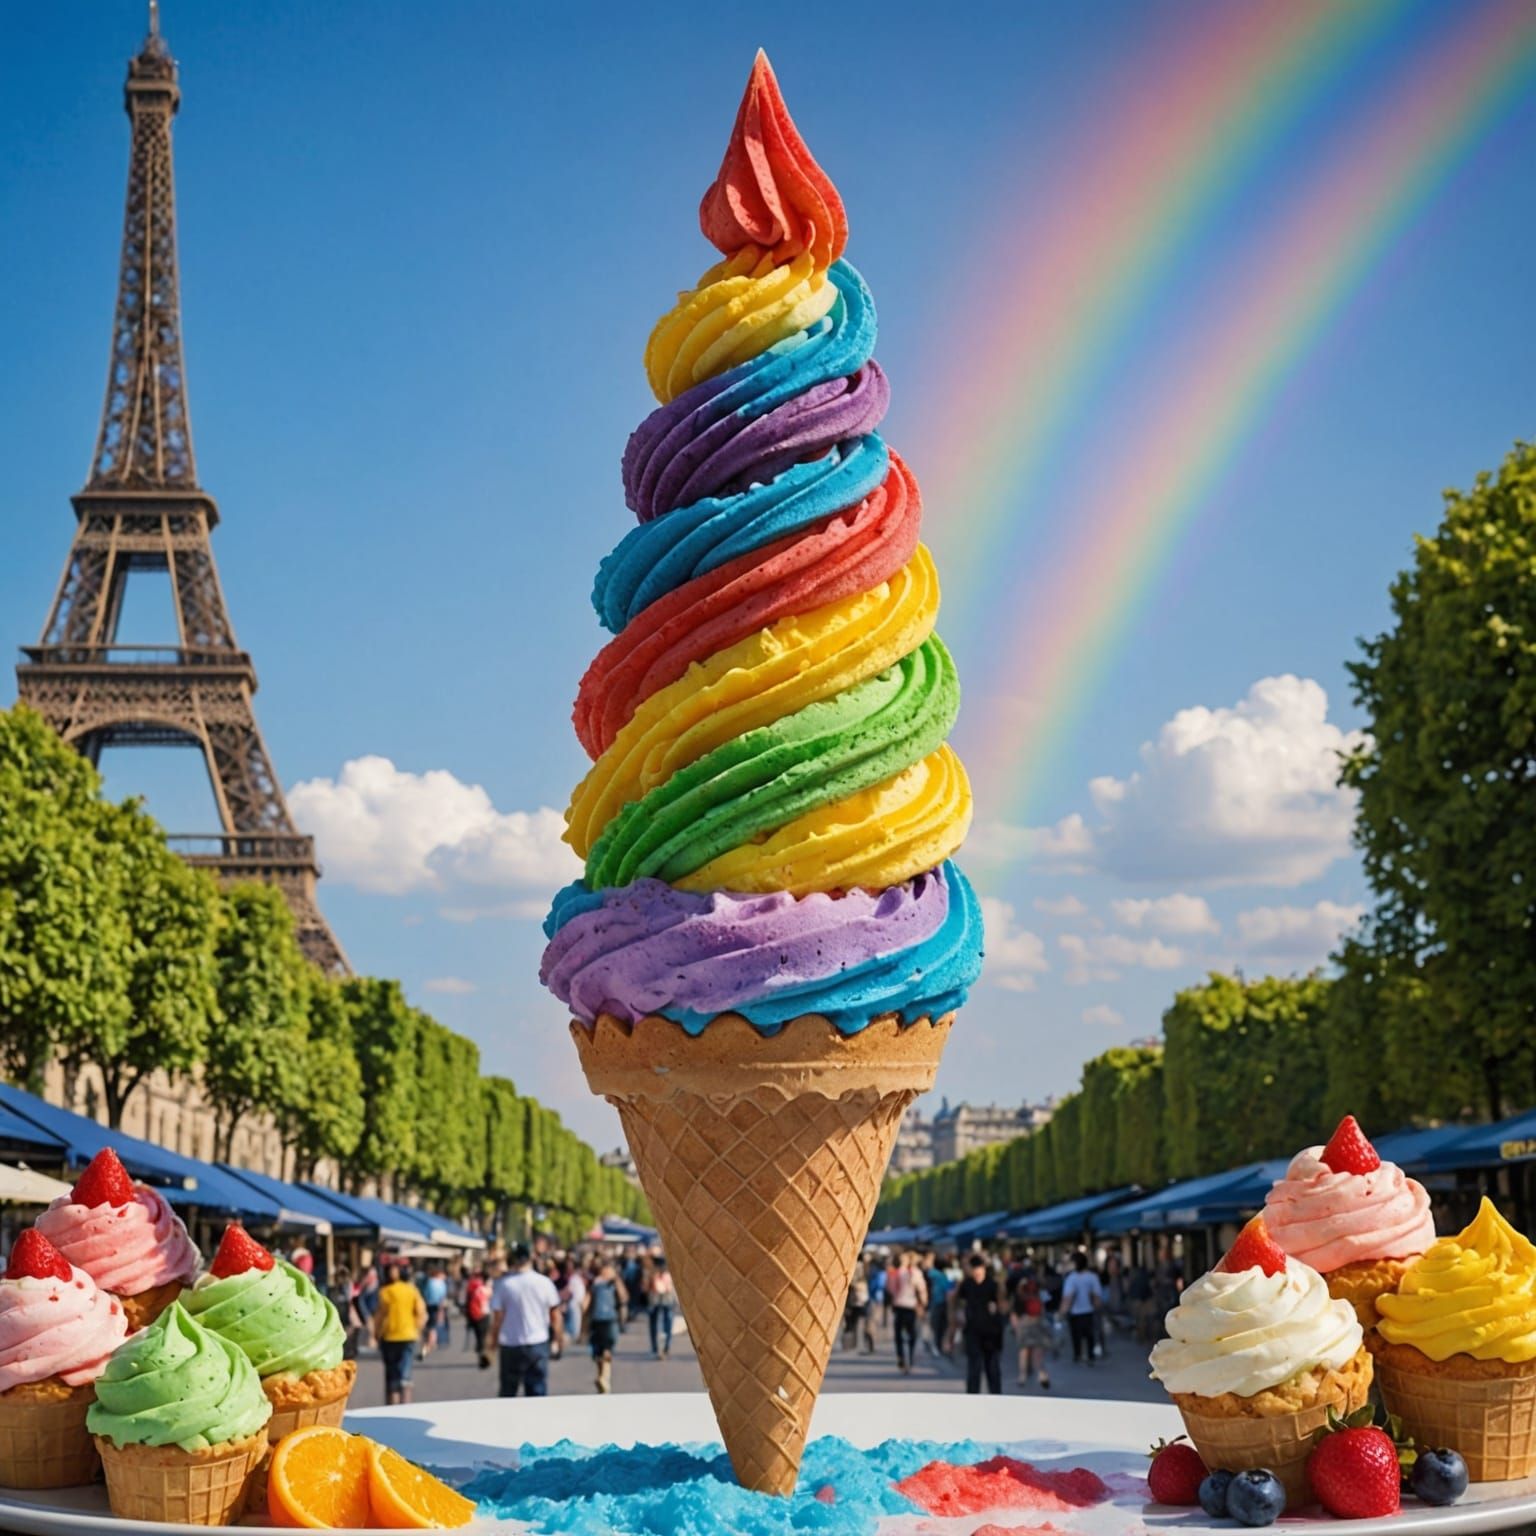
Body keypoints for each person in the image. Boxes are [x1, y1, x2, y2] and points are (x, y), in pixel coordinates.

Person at [489, 1243, 563, 1397]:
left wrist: (493, 1343)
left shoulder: (504, 1285)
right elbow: (555, 1316)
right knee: (537, 1392)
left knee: (508, 1392)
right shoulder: (544, 1282)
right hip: (537, 1342)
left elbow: (497, 1319)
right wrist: (558, 1339)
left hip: (511, 1343)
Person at [372, 1262, 427, 1406]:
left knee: (391, 1373)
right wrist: (418, 1329)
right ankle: (405, 1404)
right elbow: (421, 1311)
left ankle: (392, 1404)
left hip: (389, 1335)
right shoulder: (412, 1290)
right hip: (408, 1335)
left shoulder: (385, 1291)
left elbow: (379, 1316)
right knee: (405, 1372)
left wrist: (376, 1333)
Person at [952, 1252, 1005, 1395]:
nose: (976, 1273)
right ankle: (972, 1396)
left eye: (979, 1269)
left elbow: (1002, 1304)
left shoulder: (993, 1284)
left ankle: (996, 1396)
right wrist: (959, 1315)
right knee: (974, 1366)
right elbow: (956, 1301)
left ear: (984, 1269)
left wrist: (997, 1308)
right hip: (972, 1330)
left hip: (991, 1332)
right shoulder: (966, 1284)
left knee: (992, 1366)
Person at [584, 1259, 629, 1393]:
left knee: (607, 1350)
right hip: (597, 1321)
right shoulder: (595, 1284)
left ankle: (604, 1378)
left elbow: (624, 1298)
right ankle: (602, 1377)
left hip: (610, 1320)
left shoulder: (613, 1284)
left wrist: (617, 1280)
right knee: (599, 1353)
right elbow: (586, 1304)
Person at [1059, 1250, 1104, 1364]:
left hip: (1075, 1312)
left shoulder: (1071, 1278)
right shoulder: (1092, 1277)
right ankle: (1090, 1355)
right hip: (1089, 1311)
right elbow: (1097, 1296)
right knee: (1090, 1335)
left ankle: (1078, 1354)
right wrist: (1098, 1308)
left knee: (1076, 1335)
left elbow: (1068, 1298)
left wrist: (1062, 1311)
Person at [888, 1251, 928, 1374]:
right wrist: (923, 1304)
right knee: (912, 1334)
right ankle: (910, 1357)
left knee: (898, 1334)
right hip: (911, 1306)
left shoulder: (896, 1272)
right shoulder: (916, 1273)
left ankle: (901, 1356)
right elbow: (922, 1289)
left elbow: (891, 1289)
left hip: (899, 1305)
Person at [1011, 1271, 1051, 1390]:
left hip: (1024, 1323)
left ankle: (1022, 1376)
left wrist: (1015, 1328)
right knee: (1037, 1353)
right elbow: (1044, 1308)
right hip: (1037, 1322)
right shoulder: (1038, 1293)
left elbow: (1014, 1313)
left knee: (1024, 1351)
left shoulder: (1019, 1295)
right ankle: (1042, 1374)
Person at [328, 1264, 362, 1362]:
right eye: (340, 1276)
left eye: (344, 1276)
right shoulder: (332, 1291)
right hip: (339, 1323)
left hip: (348, 1322)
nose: (342, 1279)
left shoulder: (351, 1290)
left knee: (348, 1353)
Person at [922, 1253, 951, 1356]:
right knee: (939, 1326)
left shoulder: (929, 1273)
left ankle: (929, 1343)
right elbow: (947, 1289)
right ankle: (937, 1346)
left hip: (930, 1302)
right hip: (940, 1302)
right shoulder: (942, 1276)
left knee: (931, 1324)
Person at [844, 1255, 874, 1353]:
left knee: (855, 1323)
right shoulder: (865, 1269)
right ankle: (859, 1344)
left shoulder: (855, 1267)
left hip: (857, 1300)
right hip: (863, 1300)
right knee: (863, 1322)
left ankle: (855, 1344)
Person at [647, 1256, 675, 1358]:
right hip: (657, 1301)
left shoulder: (667, 1275)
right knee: (657, 1325)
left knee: (666, 1324)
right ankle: (658, 1348)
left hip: (666, 1300)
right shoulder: (653, 1275)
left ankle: (664, 1347)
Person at [464, 1268, 491, 1357]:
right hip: (484, 1313)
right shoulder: (485, 1287)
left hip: (473, 1313)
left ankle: (480, 1348)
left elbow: (467, 1299)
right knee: (484, 1334)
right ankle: (482, 1350)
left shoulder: (471, 1284)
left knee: (478, 1334)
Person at [423, 1264, 450, 1351]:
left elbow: (426, 1294)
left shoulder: (430, 1282)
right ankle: (432, 1341)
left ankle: (431, 1341)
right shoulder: (441, 1283)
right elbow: (443, 1296)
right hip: (438, 1305)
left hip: (430, 1305)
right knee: (434, 1324)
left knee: (431, 1324)